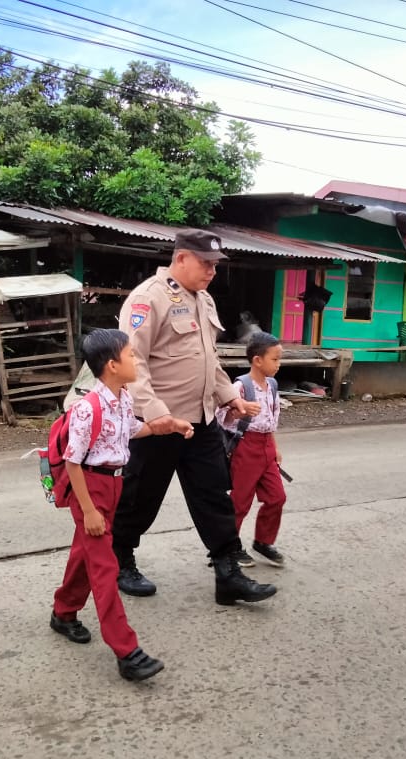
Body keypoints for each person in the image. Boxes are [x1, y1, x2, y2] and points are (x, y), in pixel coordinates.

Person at [112, 228, 278, 606]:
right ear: (181, 258)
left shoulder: (204, 301)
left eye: (215, 265)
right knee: (141, 498)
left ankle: (227, 573)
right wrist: (156, 416)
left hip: (201, 420)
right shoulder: (148, 299)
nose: (212, 272)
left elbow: (209, 359)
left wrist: (228, 396)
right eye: (205, 263)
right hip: (160, 423)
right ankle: (121, 559)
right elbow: (132, 363)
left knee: (214, 494)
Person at [51, 329, 194, 682]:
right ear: (113, 365)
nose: (136, 360)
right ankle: (127, 651)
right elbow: (73, 462)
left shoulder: (123, 399)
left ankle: (63, 612)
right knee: (104, 568)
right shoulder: (88, 408)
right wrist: (88, 510)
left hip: (114, 485)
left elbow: (131, 430)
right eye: (131, 355)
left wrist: (167, 426)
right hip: (90, 487)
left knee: (85, 555)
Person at [216, 332, 287, 568]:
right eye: (275, 359)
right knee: (239, 502)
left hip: (266, 447)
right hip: (246, 446)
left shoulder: (273, 385)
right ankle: (230, 547)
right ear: (258, 360)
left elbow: (273, 417)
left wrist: (274, 447)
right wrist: (238, 411)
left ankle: (263, 541)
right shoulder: (241, 386)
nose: (278, 364)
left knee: (277, 497)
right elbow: (221, 416)